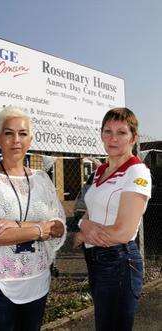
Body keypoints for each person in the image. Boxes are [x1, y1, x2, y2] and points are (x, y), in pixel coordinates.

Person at [0, 106, 66, 331]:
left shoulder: (42, 180)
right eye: (9, 133)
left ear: (30, 139)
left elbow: (59, 227)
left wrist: (18, 225)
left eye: (22, 134)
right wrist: (39, 230)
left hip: (38, 284)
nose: (16, 140)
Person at [74, 108, 151, 331]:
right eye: (107, 131)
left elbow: (123, 232)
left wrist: (83, 234)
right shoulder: (100, 171)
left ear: (133, 138)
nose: (113, 138)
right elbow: (88, 212)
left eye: (121, 132)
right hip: (96, 257)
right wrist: (83, 225)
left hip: (119, 261)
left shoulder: (137, 172)